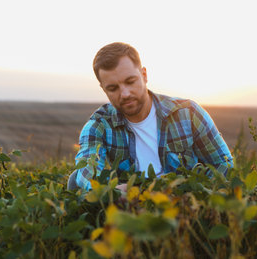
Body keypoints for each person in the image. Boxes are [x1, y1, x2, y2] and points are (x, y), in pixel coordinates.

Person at [70, 42, 233, 191]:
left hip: (186, 205)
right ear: (103, 89)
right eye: (113, 88)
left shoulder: (188, 113)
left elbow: (224, 165)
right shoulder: (99, 125)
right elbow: (84, 179)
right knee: (73, 181)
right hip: (130, 210)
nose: (125, 94)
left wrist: (191, 191)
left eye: (130, 81)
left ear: (144, 75)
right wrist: (114, 193)